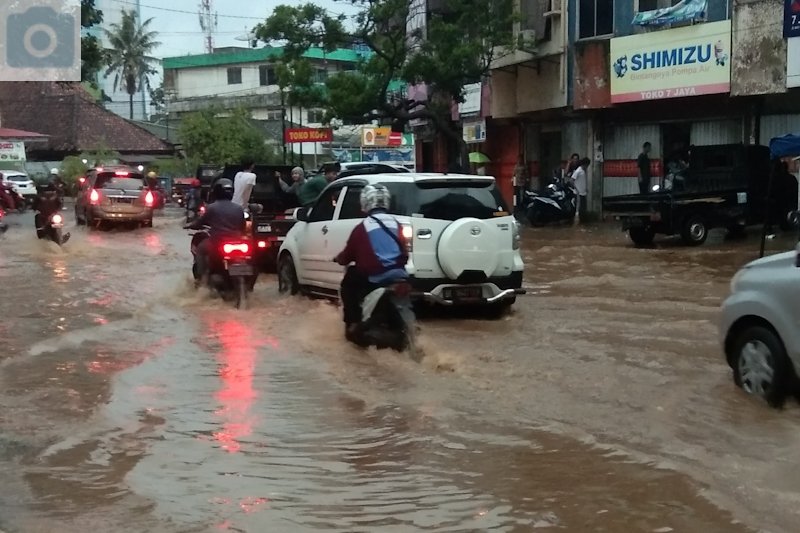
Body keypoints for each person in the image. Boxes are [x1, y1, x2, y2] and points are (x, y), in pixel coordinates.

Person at [334, 184, 409, 339]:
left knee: (348, 284)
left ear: (365, 202)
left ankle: (353, 323)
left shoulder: (362, 227)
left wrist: (340, 259)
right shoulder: (397, 224)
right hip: (400, 275)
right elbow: (405, 251)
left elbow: (348, 254)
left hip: (375, 277)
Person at [184, 178, 246, 286]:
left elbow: (199, 222)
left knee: (200, 250)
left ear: (216, 192)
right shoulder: (239, 208)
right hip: (237, 242)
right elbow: (243, 227)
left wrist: (189, 225)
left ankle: (202, 280)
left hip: (217, 242)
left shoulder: (211, 207)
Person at [571, 157, 590, 224]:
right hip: (578, 194)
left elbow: (582, 181)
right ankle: (577, 223)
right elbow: (572, 180)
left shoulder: (583, 171)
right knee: (579, 210)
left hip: (583, 193)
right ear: (585, 164)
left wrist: (585, 188)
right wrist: (576, 189)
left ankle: (582, 223)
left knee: (583, 210)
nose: (587, 167)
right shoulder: (578, 171)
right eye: (587, 165)